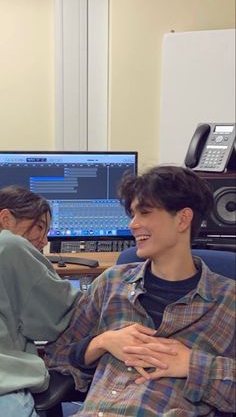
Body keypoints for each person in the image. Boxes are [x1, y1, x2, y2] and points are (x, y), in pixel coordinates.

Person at [45, 166, 235, 416]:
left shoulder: (227, 300)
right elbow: (55, 356)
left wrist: (192, 364)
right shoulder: (112, 283)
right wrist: (103, 342)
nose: (133, 225)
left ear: (183, 219)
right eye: (132, 214)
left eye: (144, 212)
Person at [0, 186, 82, 417]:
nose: (44, 240)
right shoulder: (10, 245)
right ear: (5, 219)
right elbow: (62, 314)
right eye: (39, 227)